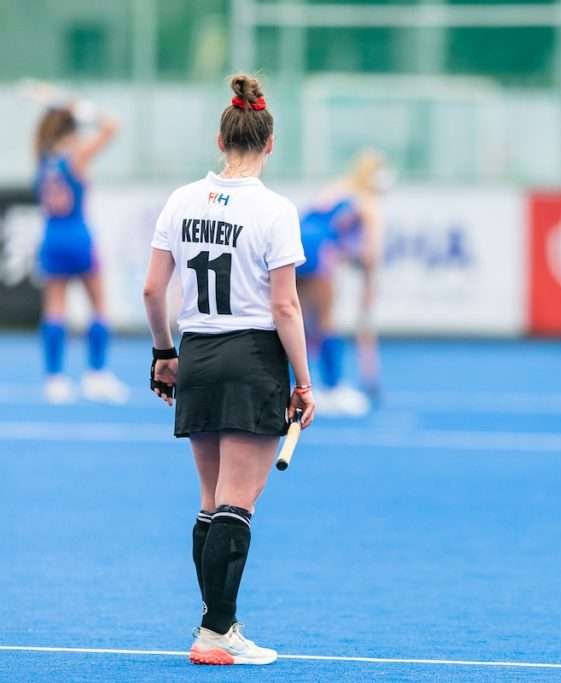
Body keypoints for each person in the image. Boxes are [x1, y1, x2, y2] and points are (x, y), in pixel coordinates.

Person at [142, 74, 316, 665]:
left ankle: (219, 625)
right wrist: (304, 380)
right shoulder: (275, 210)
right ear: (271, 144)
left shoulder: (181, 200)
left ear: (222, 136)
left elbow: (150, 290)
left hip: (197, 353)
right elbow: (285, 305)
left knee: (211, 500)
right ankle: (217, 633)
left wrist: (165, 355)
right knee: (238, 501)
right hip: (251, 358)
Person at [32, 91, 128, 404]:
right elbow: (113, 127)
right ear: (72, 130)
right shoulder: (75, 157)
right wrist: (81, 107)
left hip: (51, 237)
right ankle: (96, 374)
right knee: (98, 306)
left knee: (55, 308)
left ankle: (54, 379)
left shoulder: (42, 157)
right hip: (77, 235)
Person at [296, 149, 389, 416]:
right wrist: (369, 289)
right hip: (321, 248)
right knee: (325, 320)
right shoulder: (368, 201)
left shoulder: (337, 188)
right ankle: (333, 388)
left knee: (298, 320)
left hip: (296, 242)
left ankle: (292, 386)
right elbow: (371, 254)